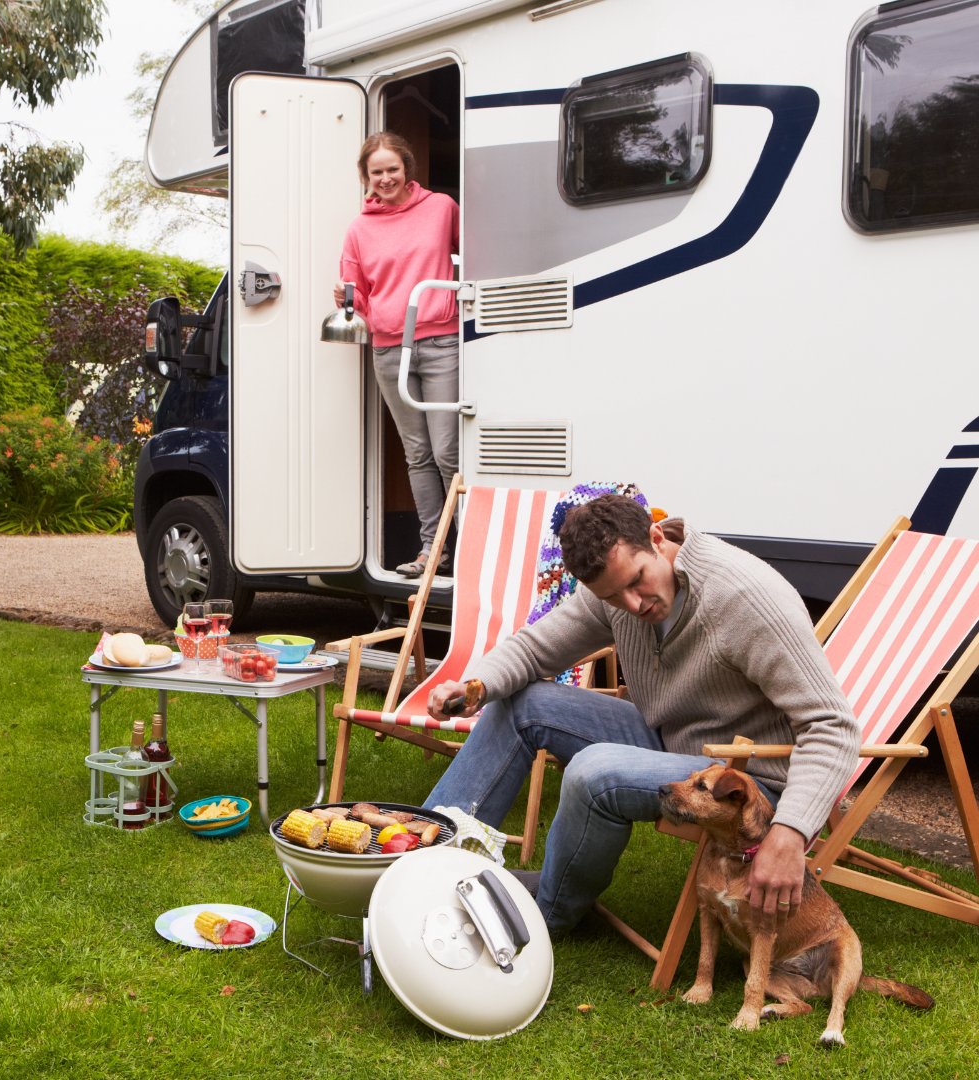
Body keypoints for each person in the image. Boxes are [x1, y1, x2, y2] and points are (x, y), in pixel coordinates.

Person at [423, 493, 861, 934]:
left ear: (656, 537)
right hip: (669, 739)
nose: (633, 604)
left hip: (746, 778)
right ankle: (418, 862)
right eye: (613, 597)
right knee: (520, 701)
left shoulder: (743, 597)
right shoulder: (614, 589)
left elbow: (832, 726)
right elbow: (537, 649)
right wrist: (475, 686)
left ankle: (544, 917)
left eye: (637, 581)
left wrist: (790, 832)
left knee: (594, 771)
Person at [336, 132, 460, 577]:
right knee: (418, 454)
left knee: (449, 450)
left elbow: (479, 257)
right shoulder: (359, 229)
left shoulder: (441, 208)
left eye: (392, 169)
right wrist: (347, 301)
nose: (385, 178)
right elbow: (360, 297)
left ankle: (468, 542)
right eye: (376, 172)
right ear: (366, 178)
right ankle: (434, 549)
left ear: (407, 168)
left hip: (442, 341)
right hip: (389, 350)